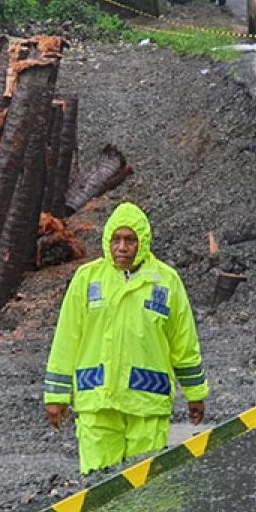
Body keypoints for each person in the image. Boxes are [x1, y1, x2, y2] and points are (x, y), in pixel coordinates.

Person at [44, 202, 208, 473]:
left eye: (130, 240)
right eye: (116, 239)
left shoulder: (166, 283)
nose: (122, 247)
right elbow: (66, 339)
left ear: (142, 242)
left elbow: (184, 342)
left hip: (147, 403)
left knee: (146, 489)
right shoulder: (88, 279)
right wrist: (56, 394)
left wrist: (195, 394)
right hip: (98, 401)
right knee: (100, 487)